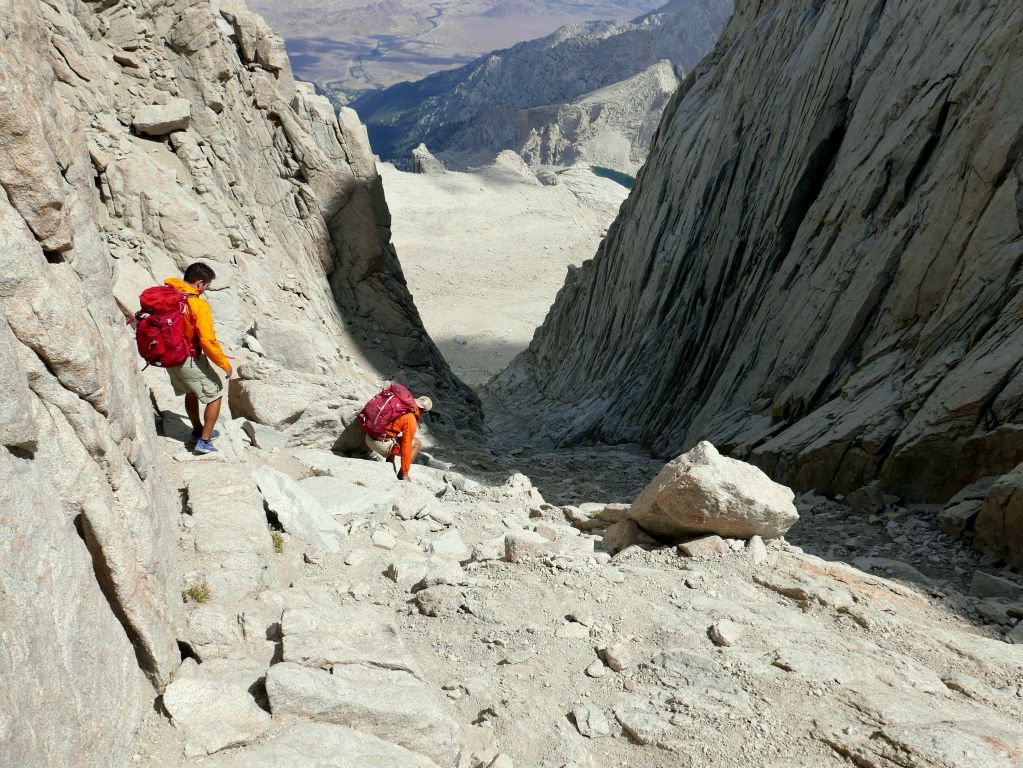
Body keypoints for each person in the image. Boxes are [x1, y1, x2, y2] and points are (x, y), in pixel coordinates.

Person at [164, 262, 233, 454]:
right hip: (188, 357)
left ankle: (197, 430)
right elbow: (207, 340)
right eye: (207, 286)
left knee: (191, 390)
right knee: (216, 393)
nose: (206, 290)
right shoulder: (198, 304)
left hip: (169, 356)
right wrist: (224, 364)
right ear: (200, 283)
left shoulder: (168, 294)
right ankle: (204, 441)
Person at [365, 395, 432, 481]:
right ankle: (401, 474)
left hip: (367, 438)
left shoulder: (400, 407)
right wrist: (405, 472)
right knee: (417, 443)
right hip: (380, 445)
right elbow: (406, 446)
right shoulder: (410, 418)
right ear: (425, 411)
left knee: (393, 436)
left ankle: (390, 464)